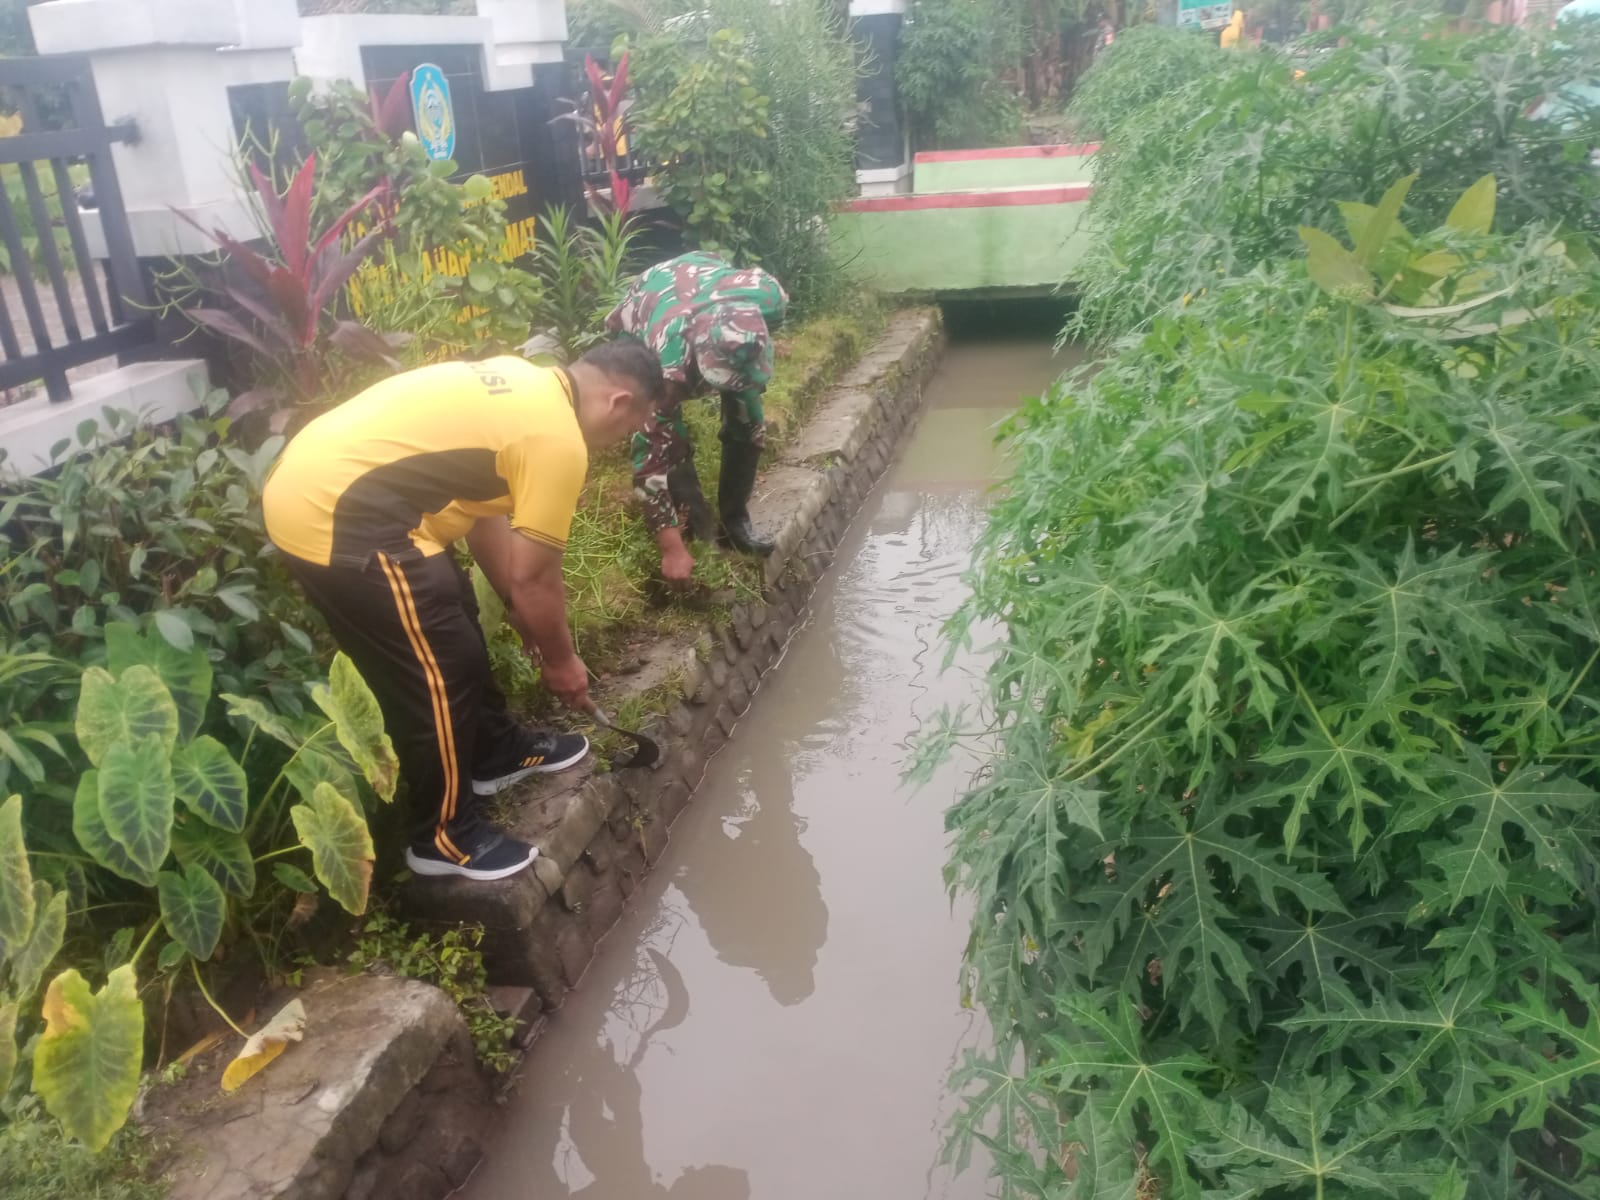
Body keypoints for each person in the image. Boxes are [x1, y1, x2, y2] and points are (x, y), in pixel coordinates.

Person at [262, 341, 664, 883]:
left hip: (350, 495)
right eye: (629, 428)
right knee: (439, 670)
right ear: (618, 402)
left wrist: (518, 609)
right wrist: (561, 661)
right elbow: (537, 576)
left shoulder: (525, 383)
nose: (621, 442)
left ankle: (494, 753)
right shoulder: (556, 440)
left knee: (451, 620)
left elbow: (482, 515)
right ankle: (442, 838)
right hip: (335, 512)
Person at [605, 251, 790, 587]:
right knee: (668, 438)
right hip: (650, 298)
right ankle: (700, 534)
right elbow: (648, 463)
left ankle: (735, 523)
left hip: (703, 272)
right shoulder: (666, 365)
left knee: (748, 419)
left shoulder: (768, 296)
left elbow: (763, 328)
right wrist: (670, 547)